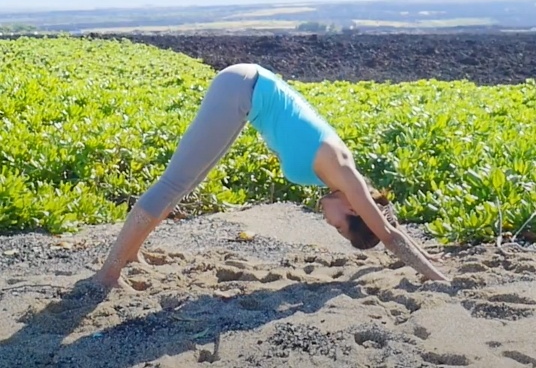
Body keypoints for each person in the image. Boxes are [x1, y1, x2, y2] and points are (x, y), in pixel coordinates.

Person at [94, 63, 448, 289]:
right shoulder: (347, 177)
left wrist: (430, 258)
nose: (330, 225)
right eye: (339, 227)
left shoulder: (345, 181)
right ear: (354, 209)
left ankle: (131, 252)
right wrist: (436, 277)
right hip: (242, 89)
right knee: (175, 182)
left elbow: (389, 224)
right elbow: (389, 236)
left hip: (248, 91)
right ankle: (108, 273)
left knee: (185, 183)